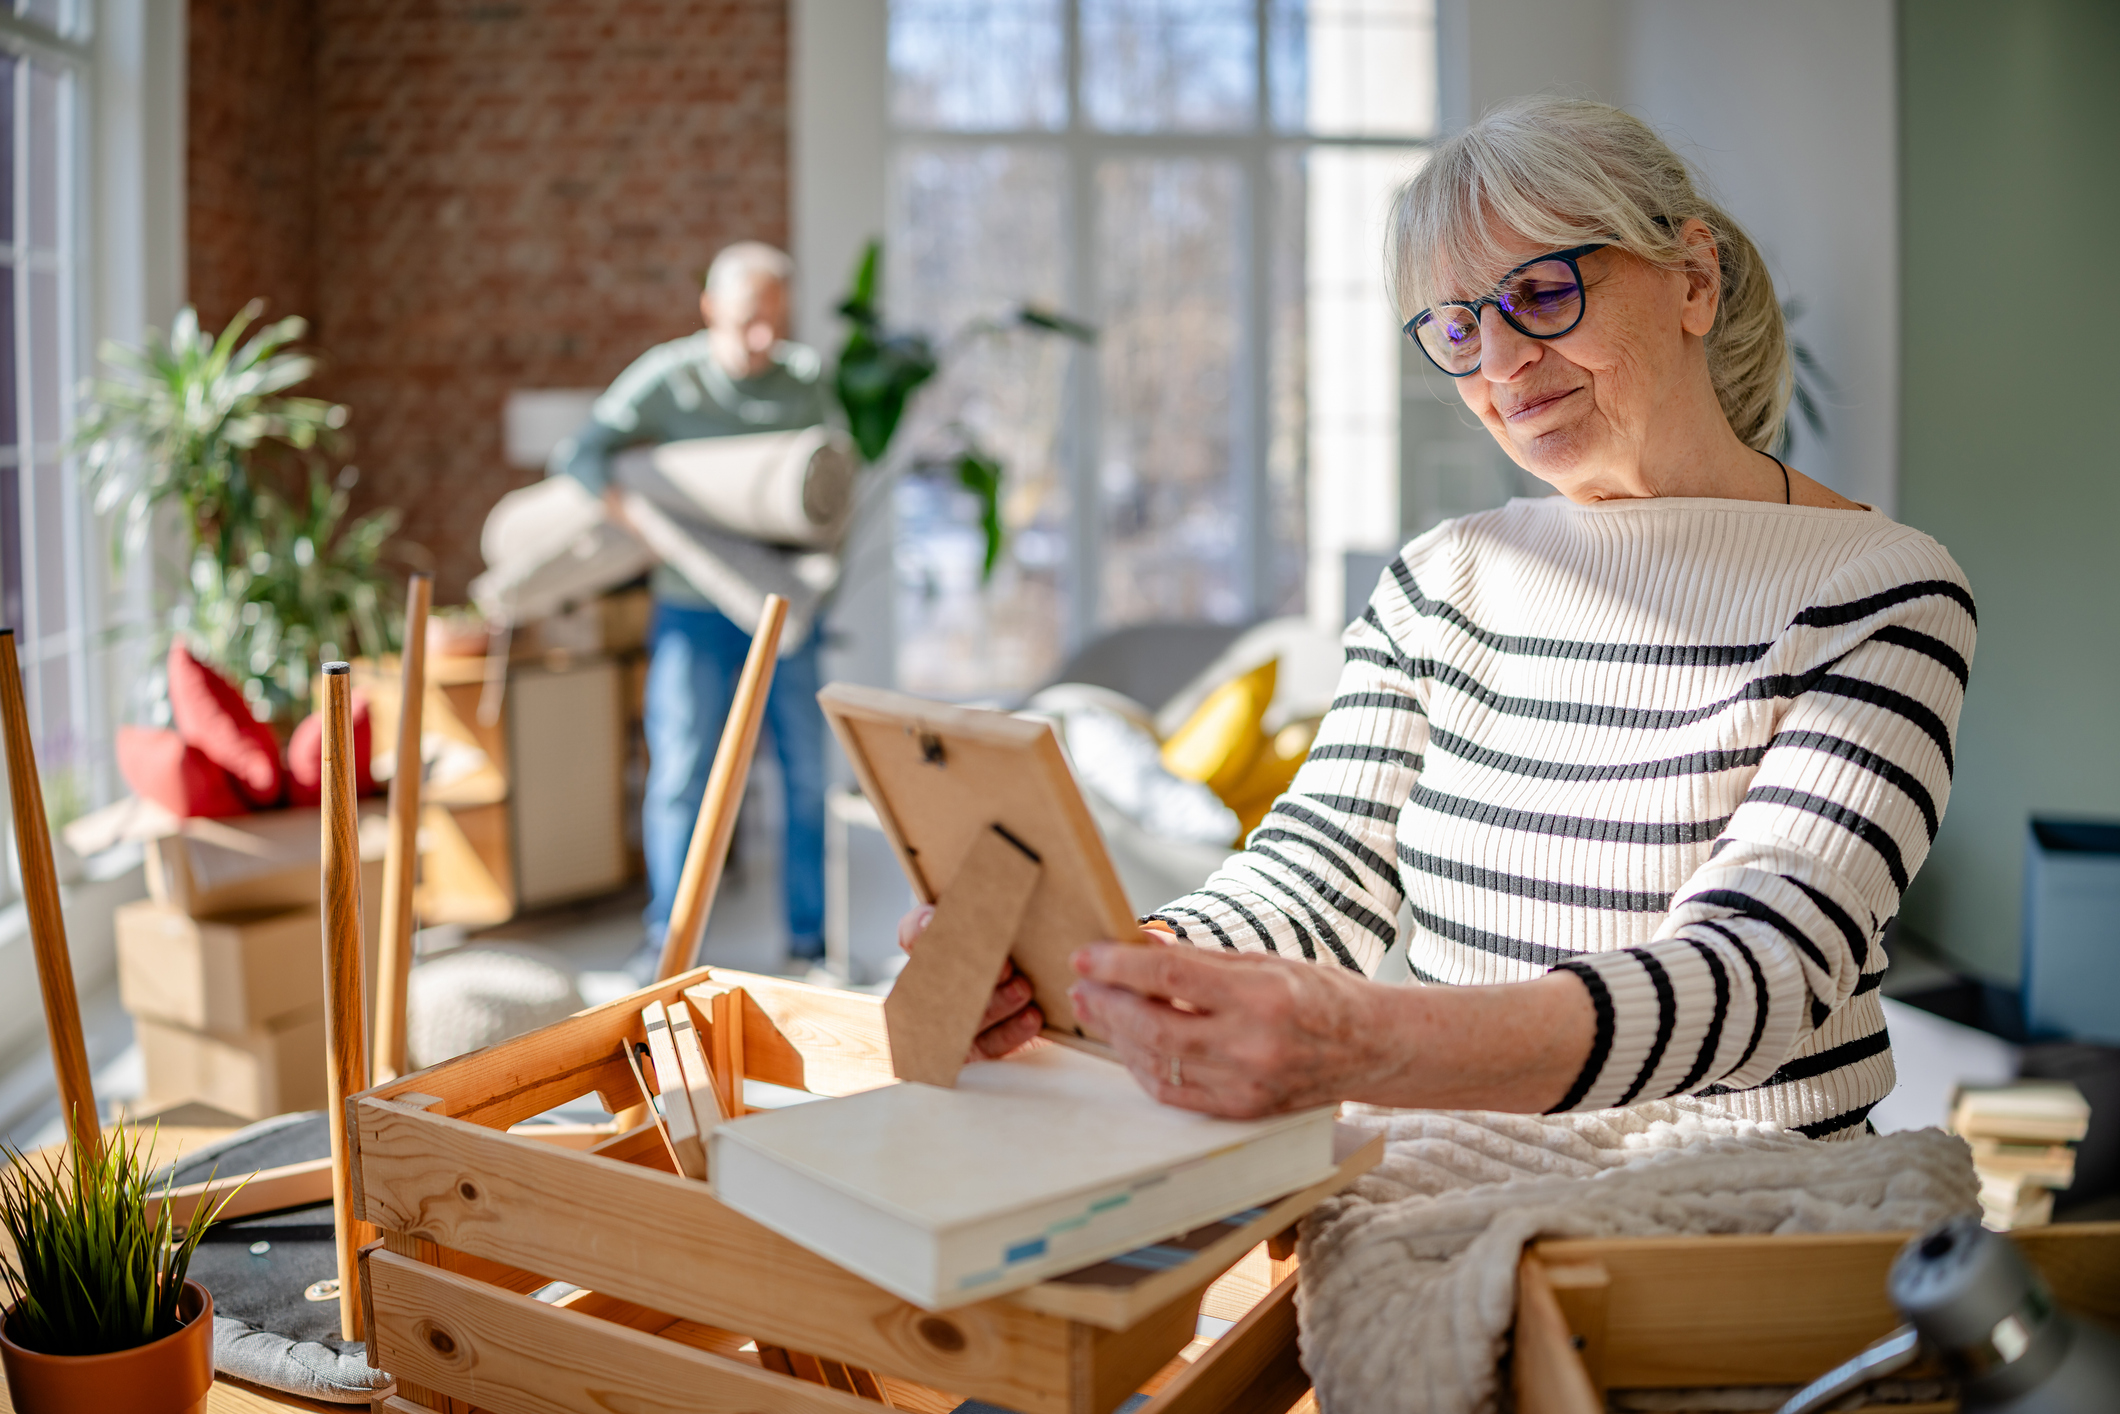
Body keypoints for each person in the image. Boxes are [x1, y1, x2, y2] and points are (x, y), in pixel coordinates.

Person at [921, 97, 1974, 1141]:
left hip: (1742, 1204)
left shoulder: (1880, 590)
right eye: (1462, 328)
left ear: (1692, 280)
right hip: (1459, 1170)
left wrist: (1371, 1043)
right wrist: (1107, 967)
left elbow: (1761, 967)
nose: (1501, 365)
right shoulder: (1442, 581)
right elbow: (1314, 878)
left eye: (1543, 292)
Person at [552, 241, 832, 974]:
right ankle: (668, 944)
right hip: (692, 610)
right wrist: (647, 524)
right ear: (709, 309)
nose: (761, 338)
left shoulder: (805, 382)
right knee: (681, 773)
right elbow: (580, 455)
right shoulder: (668, 379)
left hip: (782, 610)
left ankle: (810, 945)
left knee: (807, 774)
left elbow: (831, 486)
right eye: (746, 321)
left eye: (775, 322)